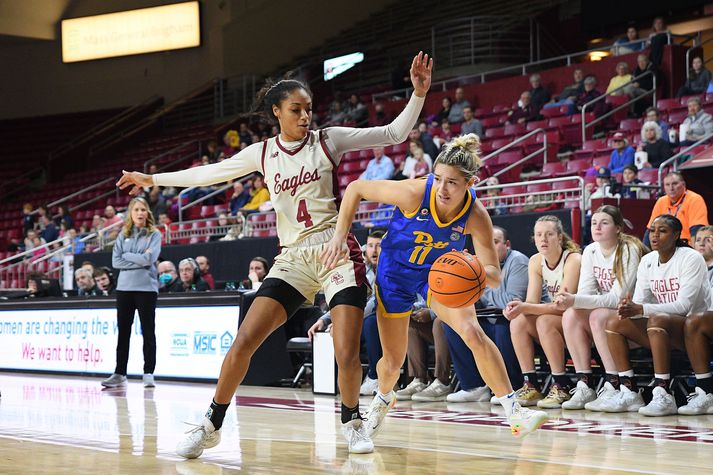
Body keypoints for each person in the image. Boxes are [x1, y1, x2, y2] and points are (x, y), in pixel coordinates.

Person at [117, 51, 435, 457]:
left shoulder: (328, 139)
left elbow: (392, 133)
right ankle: (211, 424)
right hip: (292, 257)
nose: (305, 117)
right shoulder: (261, 153)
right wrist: (152, 179)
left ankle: (353, 421)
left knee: (346, 350)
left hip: (334, 251)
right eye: (296, 110)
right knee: (244, 341)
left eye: (309, 110)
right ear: (277, 112)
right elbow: (208, 173)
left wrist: (418, 94)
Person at [321, 134, 549, 440]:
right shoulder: (415, 192)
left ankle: (514, 412)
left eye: (452, 182)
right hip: (395, 274)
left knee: (472, 332)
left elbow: (494, 274)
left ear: (470, 183)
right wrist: (339, 235)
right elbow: (356, 188)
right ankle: (384, 397)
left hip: (437, 276)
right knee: (392, 363)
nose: (442, 188)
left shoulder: (476, 216)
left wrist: (476, 267)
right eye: (438, 178)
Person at [608, 214, 712, 415]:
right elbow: (640, 302)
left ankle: (664, 392)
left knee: (657, 319)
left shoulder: (691, 258)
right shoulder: (647, 260)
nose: (655, 235)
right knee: (615, 322)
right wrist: (629, 308)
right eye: (652, 231)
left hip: (695, 327)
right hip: (663, 327)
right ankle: (629, 391)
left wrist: (641, 309)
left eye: (662, 231)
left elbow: (683, 306)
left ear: (675, 235)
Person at [555, 206, 649, 410]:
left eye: (604, 222)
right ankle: (584, 385)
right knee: (570, 315)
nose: (597, 227)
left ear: (617, 228)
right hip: (612, 315)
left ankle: (616, 384)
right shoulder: (590, 250)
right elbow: (586, 293)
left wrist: (575, 299)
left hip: (639, 317)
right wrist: (572, 301)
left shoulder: (629, 250)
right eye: (594, 222)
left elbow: (617, 299)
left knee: (597, 315)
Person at [443, 226, 530, 403]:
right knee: (454, 324)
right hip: (490, 317)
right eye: (487, 243)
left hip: (518, 320)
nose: (490, 247)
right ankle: (474, 386)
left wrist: (480, 286)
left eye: (496, 242)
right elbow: (474, 301)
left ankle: (511, 387)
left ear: (507, 245)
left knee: (502, 325)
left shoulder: (518, 261)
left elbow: (510, 301)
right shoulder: (477, 264)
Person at [504, 216, 581, 409]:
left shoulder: (573, 259)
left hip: (580, 321)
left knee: (544, 321)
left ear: (560, 238)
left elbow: (562, 306)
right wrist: (516, 308)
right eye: (539, 235)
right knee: (519, 321)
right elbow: (531, 303)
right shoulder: (535, 261)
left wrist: (525, 307)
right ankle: (530, 384)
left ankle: (561, 385)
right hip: (559, 320)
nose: (543, 239)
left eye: (549, 234)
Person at [309, 228, 386, 396]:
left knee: (370, 321)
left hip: (386, 321)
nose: (373, 250)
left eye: (378, 246)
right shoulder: (360, 270)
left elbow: (374, 302)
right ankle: (337, 380)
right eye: (371, 245)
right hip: (364, 320)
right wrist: (326, 319)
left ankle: (374, 376)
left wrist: (341, 322)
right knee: (337, 330)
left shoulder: (389, 270)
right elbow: (349, 299)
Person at [102, 197, 162, 389]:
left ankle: (148, 373)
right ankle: (120, 373)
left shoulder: (154, 234)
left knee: (148, 332)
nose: (139, 213)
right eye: (136, 209)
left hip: (146, 289)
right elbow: (115, 262)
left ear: (147, 212)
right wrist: (138, 257)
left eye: (143, 209)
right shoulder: (123, 234)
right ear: (131, 213)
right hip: (124, 289)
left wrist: (128, 256)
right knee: (123, 333)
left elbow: (149, 259)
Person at [646, 172, 709, 244]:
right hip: (665, 245)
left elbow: (697, 229)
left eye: (675, 184)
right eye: (667, 185)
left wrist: (694, 252)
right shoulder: (661, 201)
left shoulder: (694, 199)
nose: (671, 188)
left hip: (686, 245)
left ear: (683, 185)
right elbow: (650, 229)